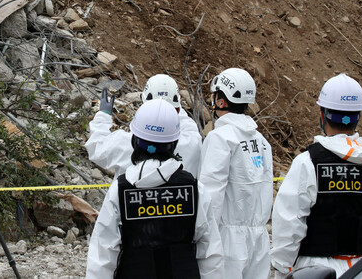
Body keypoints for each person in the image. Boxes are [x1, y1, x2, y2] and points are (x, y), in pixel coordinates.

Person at [86, 98, 224, 278]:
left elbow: (103, 256)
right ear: (174, 144)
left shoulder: (120, 191)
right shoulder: (195, 189)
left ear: (134, 140)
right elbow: (210, 255)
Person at [271, 73, 362, 277]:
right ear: (358, 117)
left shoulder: (309, 161)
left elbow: (289, 224)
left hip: (316, 270)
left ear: (322, 115)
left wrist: (283, 268)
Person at [198, 67, 273, 279]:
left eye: (215, 96)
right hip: (259, 239)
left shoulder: (221, 138)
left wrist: (202, 238)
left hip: (227, 240)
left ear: (222, 101)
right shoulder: (261, 141)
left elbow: (210, 195)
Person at [86, 74, 202, 177]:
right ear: (177, 109)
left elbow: (96, 148)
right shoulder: (192, 142)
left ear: (143, 105)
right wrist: (170, 105)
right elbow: (186, 122)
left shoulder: (125, 144)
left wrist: (103, 116)